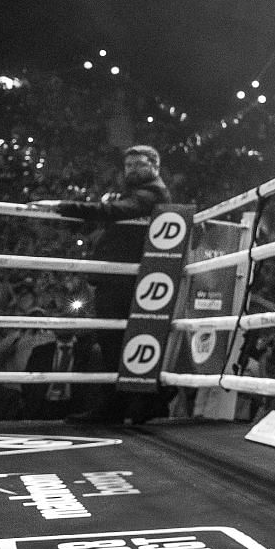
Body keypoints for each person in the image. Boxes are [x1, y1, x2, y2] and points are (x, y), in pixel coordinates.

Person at [31, 145, 169, 423]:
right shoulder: (139, 193)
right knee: (113, 342)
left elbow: (116, 211)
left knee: (115, 342)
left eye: (138, 164)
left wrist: (63, 206)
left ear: (154, 165)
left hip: (126, 280)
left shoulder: (152, 193)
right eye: (127, 165)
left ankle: (140, 403)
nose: (130, 170)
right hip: (120, 278)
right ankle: (130, 405)